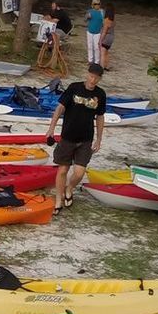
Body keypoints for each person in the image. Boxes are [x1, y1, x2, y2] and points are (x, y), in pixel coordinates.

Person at [45, 61, 109, 209]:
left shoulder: (100, 94)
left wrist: (99, 139)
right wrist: (51, 128)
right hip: (67, 136)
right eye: (91, 76)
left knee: (79, 172)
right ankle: (58, 201)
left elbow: (100, 117)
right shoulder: (74, 88)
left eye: (96, 78)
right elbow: (60, 108)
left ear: (99, 79)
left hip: (86, 139)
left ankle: (70, 188)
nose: (93, 80)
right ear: (87, 74)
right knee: (62, 170)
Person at [84, 0, 104, 65]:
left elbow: (104, 22)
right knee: (90, 46)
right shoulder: (90, 11)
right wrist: (87, 16)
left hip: (97, 32)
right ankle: (90, 60)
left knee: (96, 47)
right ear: (93, 4)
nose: (97, 5)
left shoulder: (102, 12)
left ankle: (96, 62)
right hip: (90, 31)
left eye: (98, 4)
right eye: (95, 4)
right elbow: (85, 20)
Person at [99, 2, 116, 69]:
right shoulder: (113, 19)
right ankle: (107, 66)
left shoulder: (107, 20)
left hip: (107, 37)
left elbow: (104, 31)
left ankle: (102, 67)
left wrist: (100, 40)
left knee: (102, 52)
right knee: (106, 52)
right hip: (111, 37)